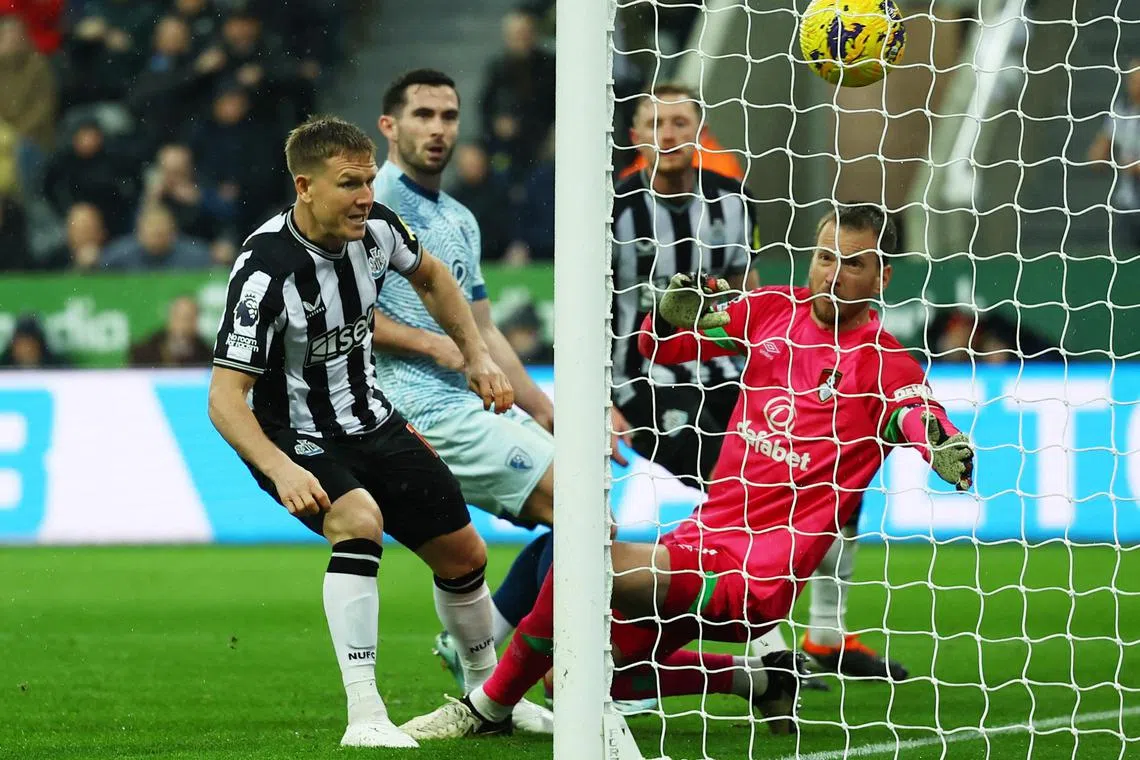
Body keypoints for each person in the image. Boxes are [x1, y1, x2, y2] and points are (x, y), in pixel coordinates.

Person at [398, 204, 975, 739]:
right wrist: (673, 317)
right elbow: (664, 344)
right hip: (701, 536)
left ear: (883, 276)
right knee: (579, 680)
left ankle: (485, 707)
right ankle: (762, 681)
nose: (833, 273)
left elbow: (917, 414)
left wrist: (942, 445)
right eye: (826, 256)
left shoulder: (886, 362)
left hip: (756, 574)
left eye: (853, 263)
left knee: (583, 561)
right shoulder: (773, 309)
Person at [208, 115, 513, 749]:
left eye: (370, 180)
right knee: (358, 520)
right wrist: (280, 468)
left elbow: (432, 277)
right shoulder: (267, 272)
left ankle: (491, 700)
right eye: (350, 183)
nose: (366, 196)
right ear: (305, 186)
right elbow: (224, 399)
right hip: (295, 435)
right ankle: (366, 713)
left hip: (373, 417)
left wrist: (477, 354)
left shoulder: (376, 230)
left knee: (465, 557)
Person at [369, 69, 624, 726]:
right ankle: (562, 688)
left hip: (476, 406)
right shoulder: (367, 206)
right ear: (390, 126)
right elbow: (345, 314)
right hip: (422, 412)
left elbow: (482, 329)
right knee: (582, 516)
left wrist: (544, 409)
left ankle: (495, 680)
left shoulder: (458, 218)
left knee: (588, 512)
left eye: (448, 115)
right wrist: (435, 347)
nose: (438, 128)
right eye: (423, 114)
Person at [612, 82, 760, 490]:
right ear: (636, 137)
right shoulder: (612, 210)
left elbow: (747, 292)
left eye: (680, 123)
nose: (669, 134)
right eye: (656, 123)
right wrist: (598, 404)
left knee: (791, 467)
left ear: (699, 133)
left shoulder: (734, 202)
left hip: (724, 370)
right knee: (728, 481)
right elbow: (585, 316)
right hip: (641, 379)